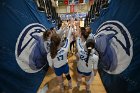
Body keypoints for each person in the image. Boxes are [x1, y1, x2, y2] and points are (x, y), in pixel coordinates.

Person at [47, 26, 73, 92]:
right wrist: (71, 26)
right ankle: (70, 84)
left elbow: (51, 65)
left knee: (60, 81)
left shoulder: (49, 54)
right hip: (65, 66)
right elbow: (68, 37)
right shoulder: (65, 49)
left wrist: (54, 69)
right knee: (68, 76)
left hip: (57, 69)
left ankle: (62, 89)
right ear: (60, 42)